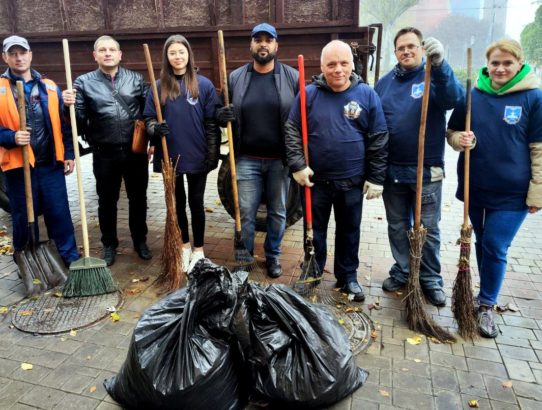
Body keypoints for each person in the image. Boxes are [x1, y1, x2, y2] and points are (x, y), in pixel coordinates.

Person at [447, 39, 542, 338]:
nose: (500, 68)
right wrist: (460, 139)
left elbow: (539, 149)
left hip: (513, 192)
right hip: (475, 185)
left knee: (496, 246)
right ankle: (480, 295)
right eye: (495, 63)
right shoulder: (472, 95)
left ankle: (486, 305)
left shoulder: (533, 97)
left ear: (519, 64)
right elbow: (451, 132)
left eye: (507, 63)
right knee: (481, 241)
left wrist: (538, 190)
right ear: (488, 65)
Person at [285, 40, 389, 301]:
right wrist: (297, 164)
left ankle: (347, 276)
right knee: (314, 229)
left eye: (344, 63)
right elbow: (292, 129)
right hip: (315, 181)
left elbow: (378, 137)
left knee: (349, 230)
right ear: (322, 67)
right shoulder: (308, 94)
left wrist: (376, 177)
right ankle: (312, 270)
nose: (338, 70)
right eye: (331, 64)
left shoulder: (367, 95)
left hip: (351, 182)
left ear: (352, 65)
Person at [374, 27, 463, 306]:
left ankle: (430, 278)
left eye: (412, 46)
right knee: (397, 226)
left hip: (427, 170)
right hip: (393, 171)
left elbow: (453, 98)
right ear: (395, 51)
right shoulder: (385, 83)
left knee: (428, 229)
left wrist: (440, 65)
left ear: (422, 49)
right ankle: (402, 270)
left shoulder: (432, 76)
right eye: (401, 47)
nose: (407, 51)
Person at [215, 23, 298, 278]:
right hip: (246, 159)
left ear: (276, 45)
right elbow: (220, 111)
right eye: (258, 39)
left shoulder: (292, 77)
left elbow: (303, 113)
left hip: (279, 161)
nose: (263, 44)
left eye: (268, 40)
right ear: (251, 45)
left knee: (277, 212)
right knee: (246, 212)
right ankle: (244, 258)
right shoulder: (236, 77)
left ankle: (273, 257)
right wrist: (221, 114)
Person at [63, 35, 151, 266]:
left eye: (112, 49)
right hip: (104, 152)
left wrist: (150, 141)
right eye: (102, 50)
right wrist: (68, 106)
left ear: (120, 54)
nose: (108, 53)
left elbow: (147, 114)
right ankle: (109, 244)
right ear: (95, 55)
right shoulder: (83, 83)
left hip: (135, 152)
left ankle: (140, 240)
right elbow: (79, 123)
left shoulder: (136, 79)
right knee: (107, 200)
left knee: (138, 198)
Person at [143, 35, 221, 272]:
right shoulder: (158, 87)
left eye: (181, 52)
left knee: (196, 203)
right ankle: (184, 245)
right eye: (172, 53)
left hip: (197, 154)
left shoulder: (203, 85)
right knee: (176, 203)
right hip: (170, 155)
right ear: (167, 57)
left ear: (189, 54)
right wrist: (155, 128)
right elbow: (148, 118)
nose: (178, 57)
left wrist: (212, 153)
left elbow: (211, 121)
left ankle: (199, 249)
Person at [0, 35, 79, 266]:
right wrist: (11, 137)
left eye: (22, 52)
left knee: (59, 213)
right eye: (13, 53)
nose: (18, 57)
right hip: (18, 165)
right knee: (24, 216)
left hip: (49, 164)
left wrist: (68, 153)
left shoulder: (49, 86)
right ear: (5, 57)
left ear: (30, 55)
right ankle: (27, 259)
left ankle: (69, 257)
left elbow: (62, 124)